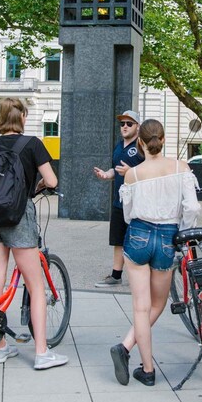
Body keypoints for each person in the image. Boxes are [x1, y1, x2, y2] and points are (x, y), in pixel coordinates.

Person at [0, 98, 67, 371]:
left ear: (0, 117)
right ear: (22, 117)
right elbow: (52, 181)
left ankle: (0, 348)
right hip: (19, 216)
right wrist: (33, 184)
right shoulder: (33, 144)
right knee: (36, 286)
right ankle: (41, 352)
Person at [109, 119, 201, 387]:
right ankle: (126, 349)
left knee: (140, 306)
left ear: (140, 142)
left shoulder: (132, 174)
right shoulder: (180, 168)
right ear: (163, 138)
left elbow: (127, 214)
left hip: (137, 234)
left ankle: (147, 368)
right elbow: (192, 208)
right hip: (167, 237)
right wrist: (183, 230)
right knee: (158, 304)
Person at [92, 110, 144, 287]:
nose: (125, 127)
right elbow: (116, 169)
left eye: (129, 123)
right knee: (118, 240)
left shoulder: (141, 146)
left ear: (137, 127)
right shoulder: (118, 146)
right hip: (119, 200)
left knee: (137, 239)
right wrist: (107, 174)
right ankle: (116, 275)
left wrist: (131, 172)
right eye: (122, 124)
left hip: (137, 202)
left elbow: (148, 171)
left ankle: (141, 277)